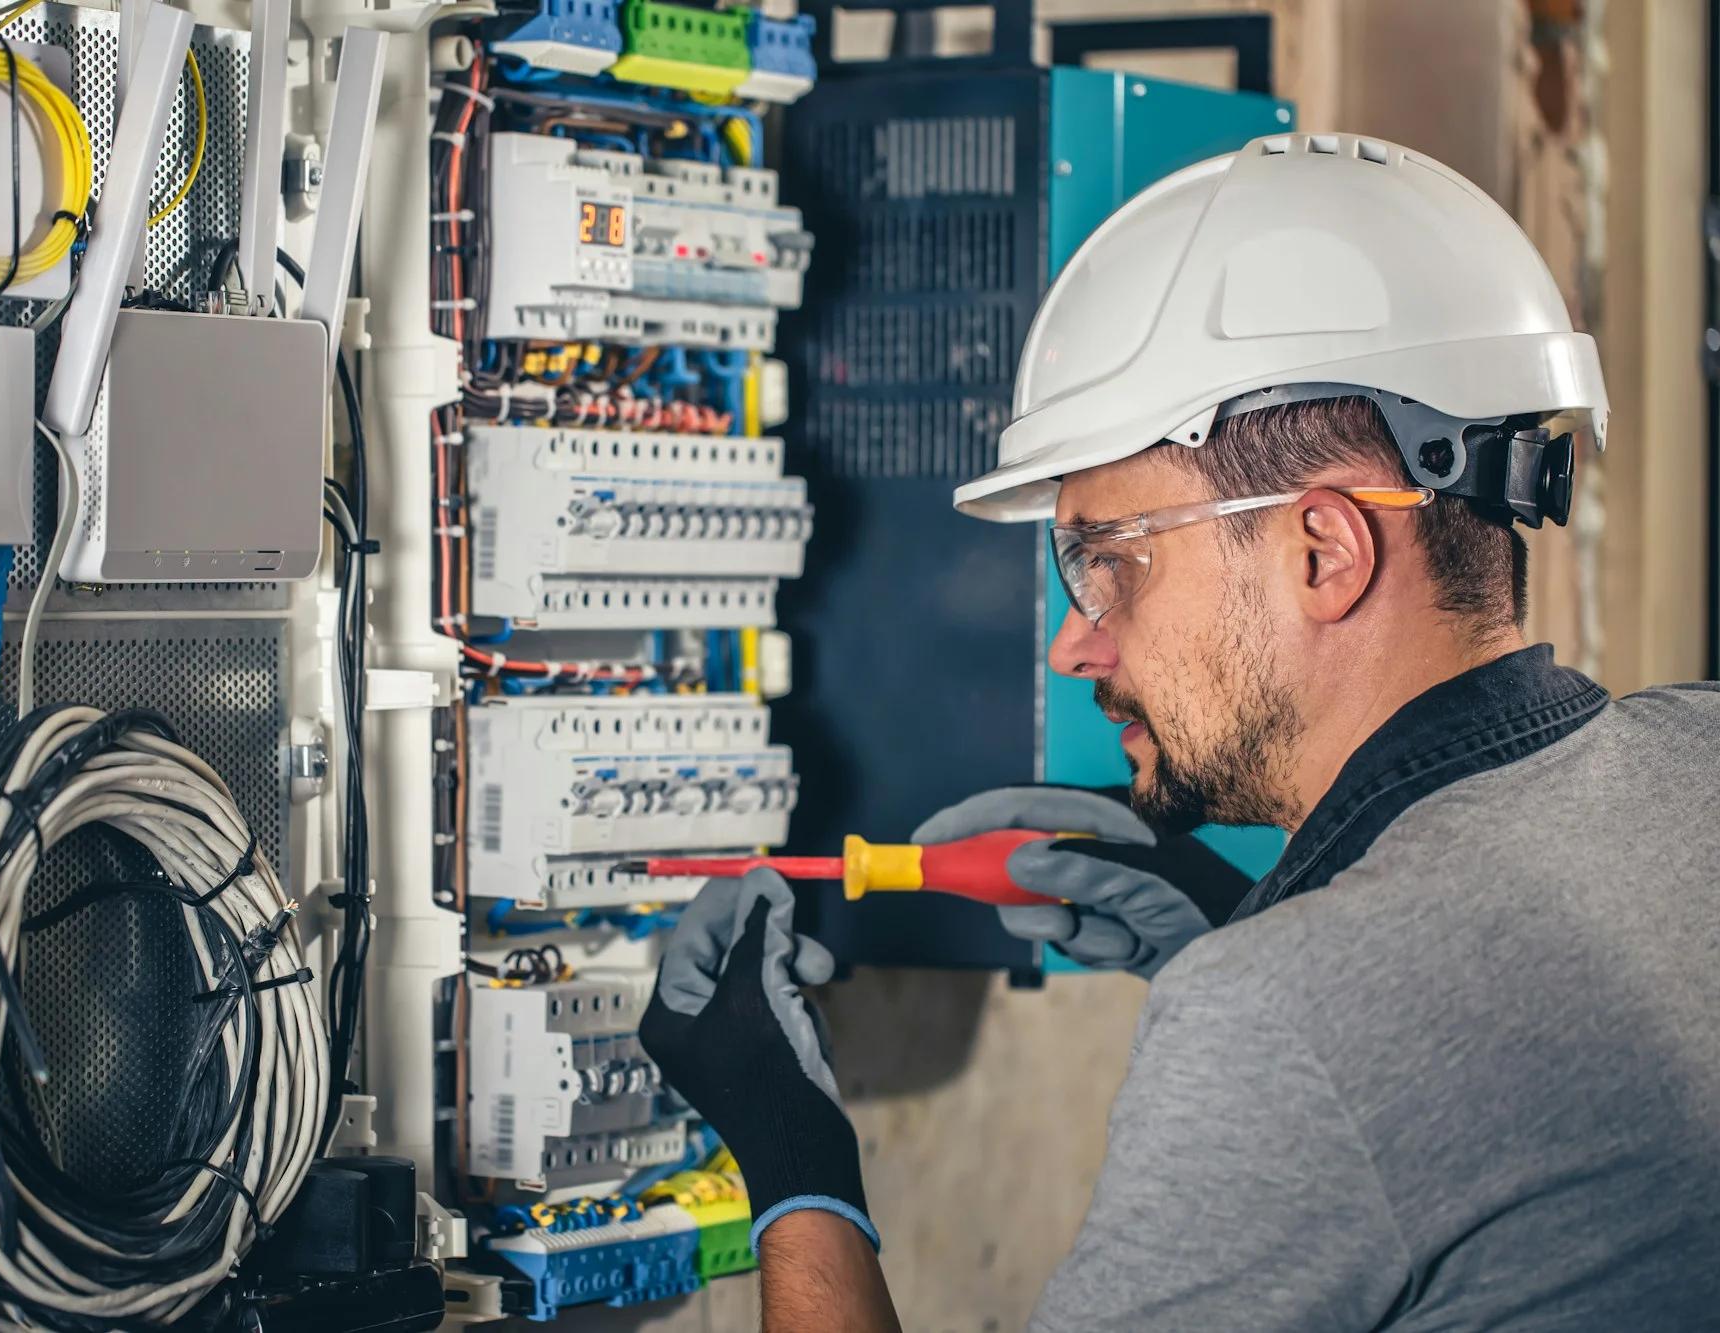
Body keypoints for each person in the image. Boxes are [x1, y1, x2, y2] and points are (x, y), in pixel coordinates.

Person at [638, 134, 1720, 1331]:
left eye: (1108, 564)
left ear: (1323, 552)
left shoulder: (1279, 1021)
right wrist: (1254, 912)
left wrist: (794, 1166)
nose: (1073, 641)